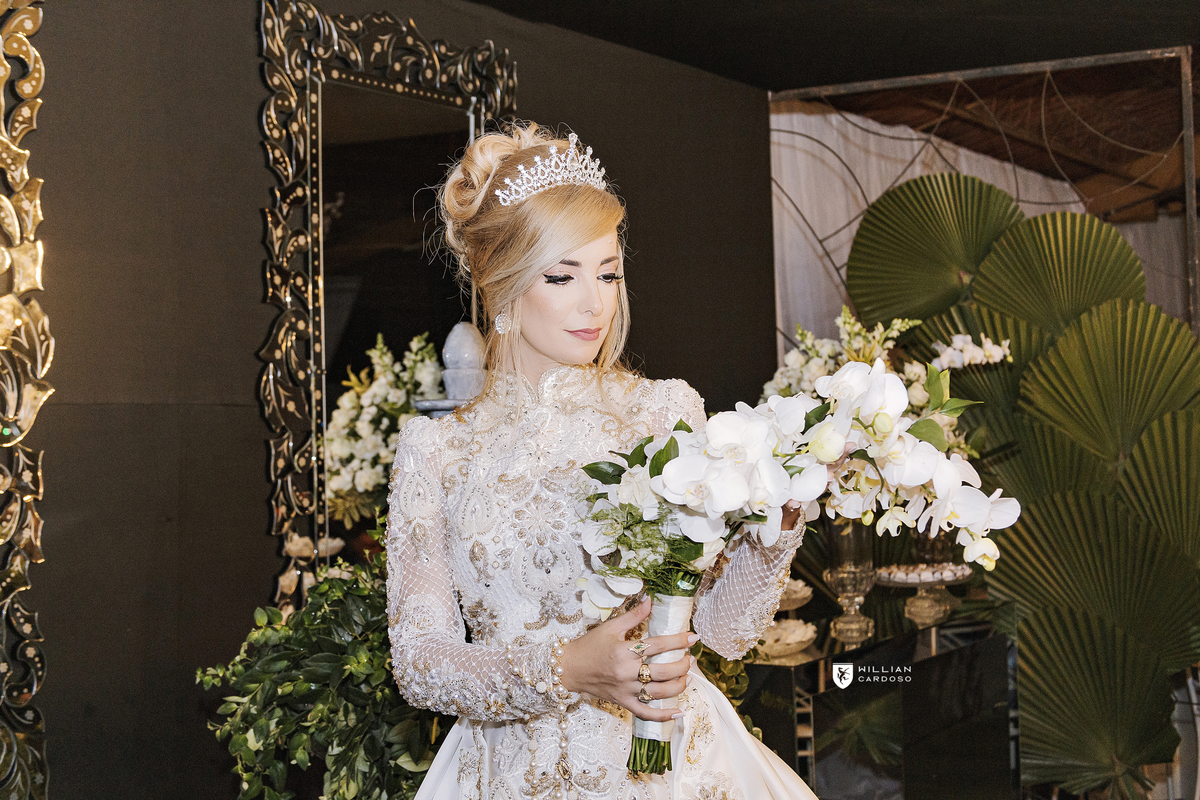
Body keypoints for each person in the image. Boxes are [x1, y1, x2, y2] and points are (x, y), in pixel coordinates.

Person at [386, 122, 818, 800]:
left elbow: (724, 629)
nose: (595, 302)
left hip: (669, 773)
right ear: (501, 282)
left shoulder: (662, 413)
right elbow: (419, 664)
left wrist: (780, 518)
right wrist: (567, 668)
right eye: (562, 276)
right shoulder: (435, 452)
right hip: (504, 778)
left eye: (609, 273)